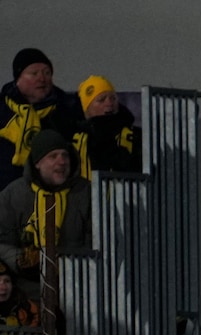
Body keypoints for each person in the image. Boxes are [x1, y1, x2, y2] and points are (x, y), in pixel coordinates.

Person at [0, 129, 90, 286]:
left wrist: (68, 265)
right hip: (27, 293)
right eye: (53, 156)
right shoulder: (13, 195)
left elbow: (99, 242)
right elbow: (2, 241)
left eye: (65, 155)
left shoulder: (86, 193)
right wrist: (20, 261)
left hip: (78, 288)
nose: (62, 161)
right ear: (37, 163)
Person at [0, 50, 75, 188]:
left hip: (57, 193)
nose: (42, 79)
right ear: (18, 79)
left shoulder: (68, 108)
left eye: (47, 73)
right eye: (34, 73)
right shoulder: (3, 110)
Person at [72, 76, 139, 178]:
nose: (109, 103)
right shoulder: (73, 136)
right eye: (101, 100)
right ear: (87, 108)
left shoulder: (135, 135)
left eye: (113, 98)